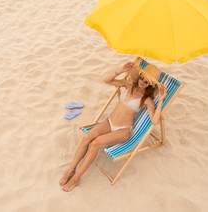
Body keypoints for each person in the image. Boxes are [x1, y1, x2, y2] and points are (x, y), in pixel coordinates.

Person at [59, 61, 167, 192]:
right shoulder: (128, 85)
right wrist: (120, 70)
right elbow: (106, 80)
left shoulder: (147, 100)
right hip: (109, 122)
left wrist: (161, 100)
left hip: (123, 131)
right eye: (142, 77)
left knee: (95, 144)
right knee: (87, 137)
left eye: (146, 81)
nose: (142, 82)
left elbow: (155, 121)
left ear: (151, 85)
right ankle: (71, 169)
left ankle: (76, 178)